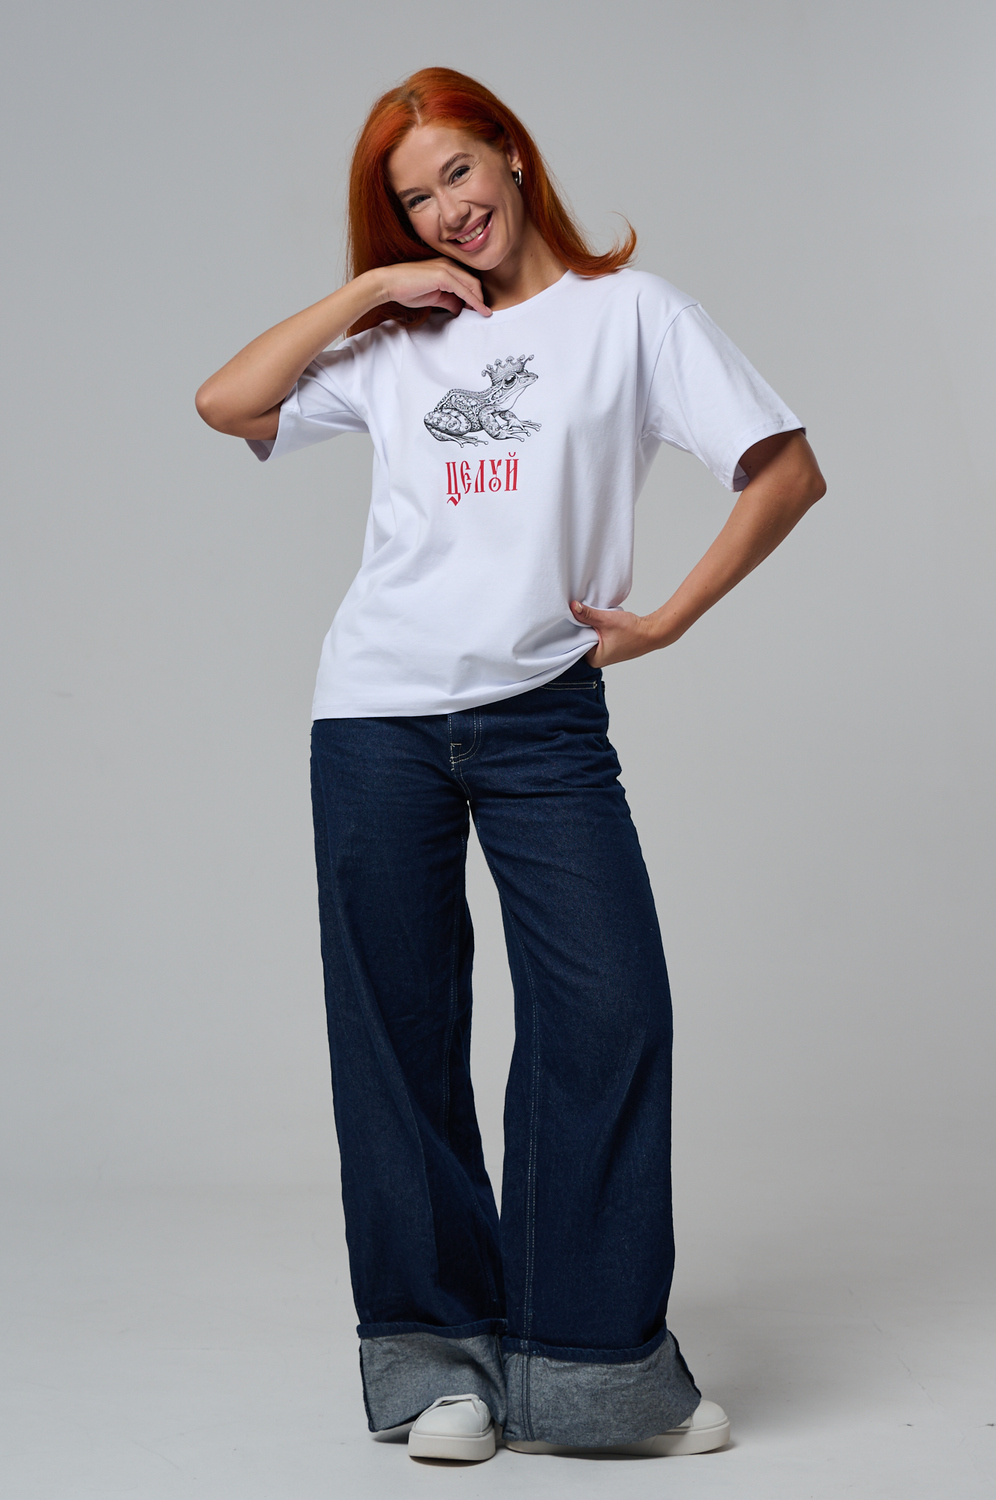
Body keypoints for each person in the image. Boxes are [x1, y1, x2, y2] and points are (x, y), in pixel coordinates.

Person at [195, 66, 825, 1464]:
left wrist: (666, 618)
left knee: (610, 1010)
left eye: (459, 173)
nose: (447, 210)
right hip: (376, 717)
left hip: (544, 717)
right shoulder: (399, 336)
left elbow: (785, 469)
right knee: (399, 1033)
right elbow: (224, 402)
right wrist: (373, 291)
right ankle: (441, 1369)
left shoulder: (633, 316)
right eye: (413, 198)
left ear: (514, 158)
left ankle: (590, 1370)